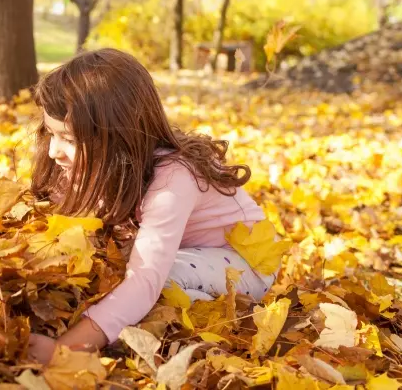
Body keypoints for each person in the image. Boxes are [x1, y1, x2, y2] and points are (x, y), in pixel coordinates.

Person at [27, 48, 276, 364]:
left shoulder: (174, 180)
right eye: (51, 133)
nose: (53, 152)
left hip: (245, 262)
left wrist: (63, 351)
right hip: (186, 255)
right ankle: (147, 312)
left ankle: (200, 314)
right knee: (121, 276)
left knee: (157, 282)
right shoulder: (91, 166)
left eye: (70, 140)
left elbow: (145, 277)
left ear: (118, 137)